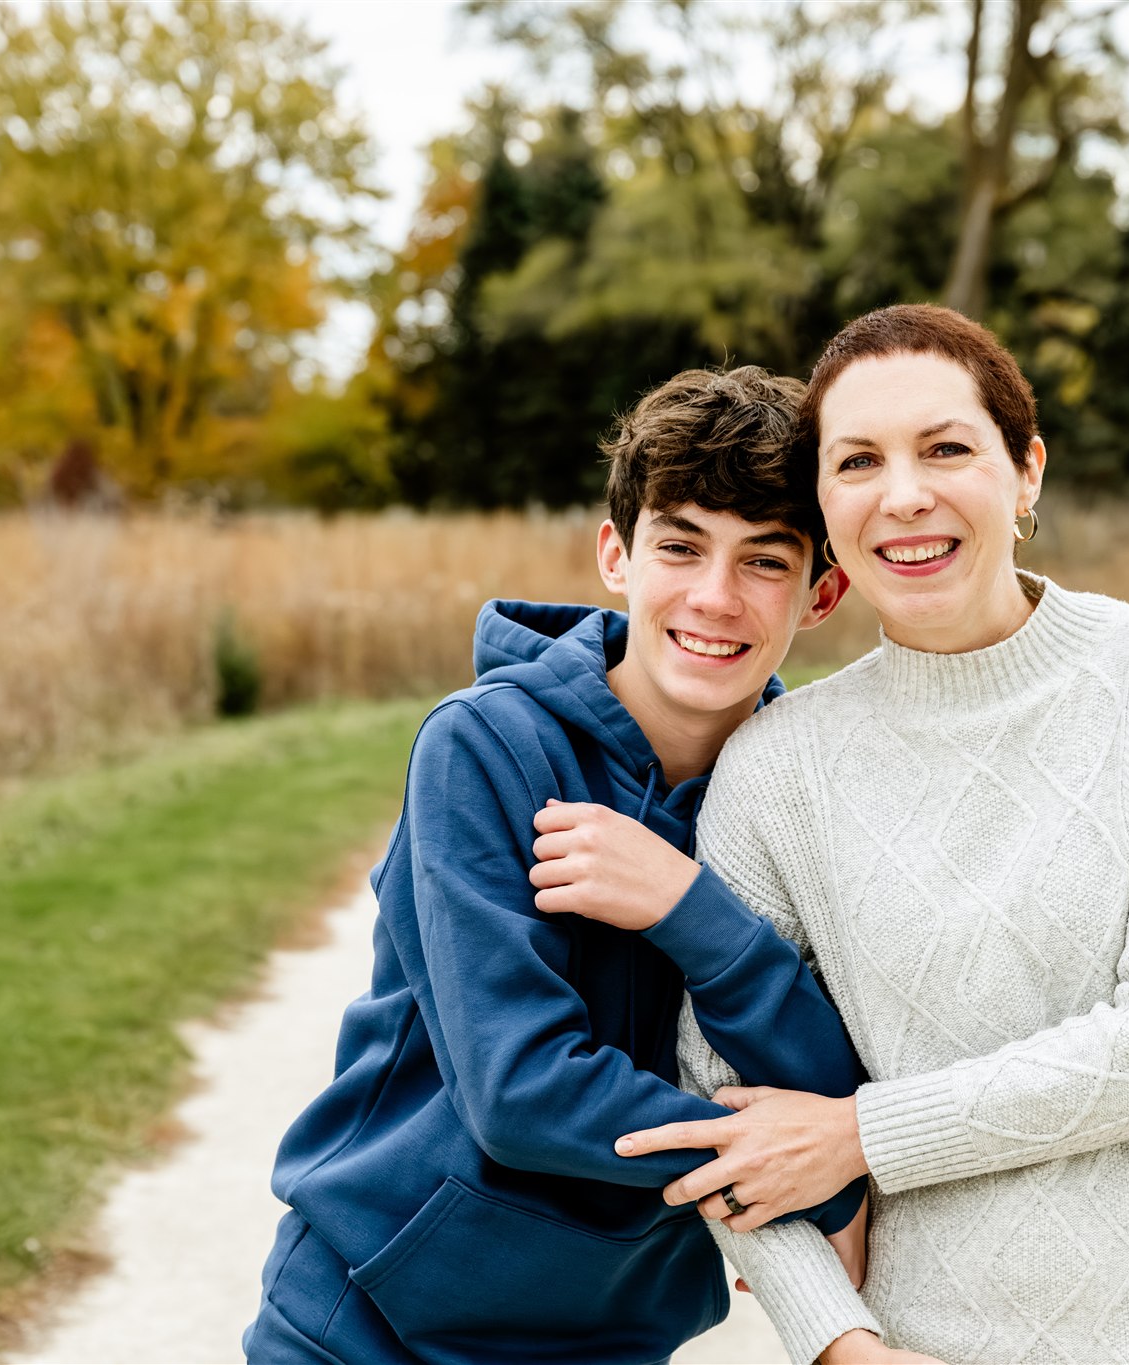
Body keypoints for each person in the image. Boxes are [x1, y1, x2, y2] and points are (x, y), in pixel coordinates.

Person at [539, 305, 1129, 1364]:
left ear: (1026, 474)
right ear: (825, 505)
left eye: (946, 448)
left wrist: (859, 1135)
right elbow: (717, 1094)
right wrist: (834, 1341)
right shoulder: (777, 763)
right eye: (857, 460)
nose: (903, 494)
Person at [242, 366, 870, 1365]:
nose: (714, 596)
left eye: (763, 560)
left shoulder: (803, 802)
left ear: (822, 591)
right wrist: (789, 1164)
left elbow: (823, 1077)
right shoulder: (485, 748)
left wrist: (689, 910)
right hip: (370, 1325)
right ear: (615, 553)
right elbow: (519, 1091)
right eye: (679, 546)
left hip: (611, 1337)